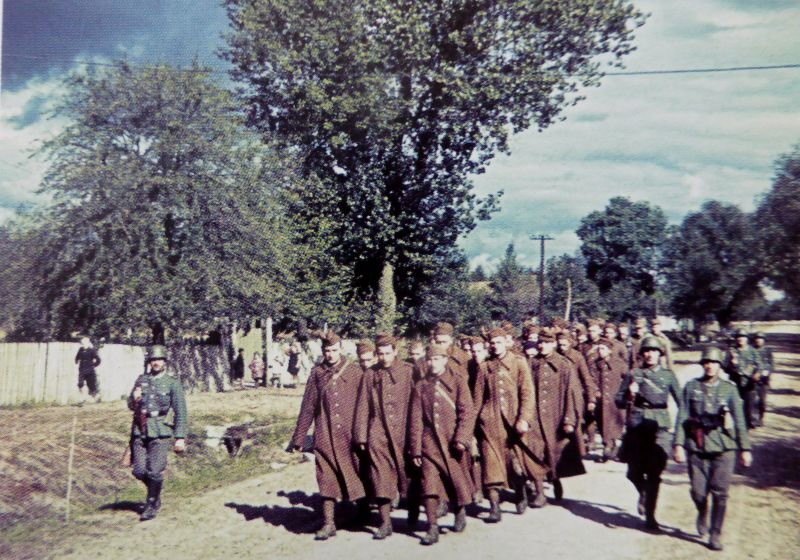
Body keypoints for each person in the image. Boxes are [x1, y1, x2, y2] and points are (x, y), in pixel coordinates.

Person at [287, 332, 367, 540]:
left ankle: (364, 509)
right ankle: (329, 522)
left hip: (351, 435)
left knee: (357, 472)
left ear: (341, 349)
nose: (330, 354)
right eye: (326, 351)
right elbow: (308, 407)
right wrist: (299, 437)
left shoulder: (355, 371)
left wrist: (364, 433)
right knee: (325, 476)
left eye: (333, 350)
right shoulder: (317, 373)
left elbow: (366, 404)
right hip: (325, 434)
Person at [673, 346, 752, 551]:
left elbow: (740, 420)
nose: (710, 366)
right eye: (706, 362)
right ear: (702, 365)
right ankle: (702, 512)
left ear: (720, 366)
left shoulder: (729, 388)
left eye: (714, 363)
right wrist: (678, 444)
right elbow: (682, 416)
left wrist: (745, 448)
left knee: (720, 493)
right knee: (699, 492)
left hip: (724, 447)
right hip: (697, 446)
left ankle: (715, 534)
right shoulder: (691, 387)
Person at [409, 343, 476, 545]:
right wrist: (416, 449)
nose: (433, 363)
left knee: (454, 481)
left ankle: (459, 510)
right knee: (428, 484)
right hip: (429, 444)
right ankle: (432, 527)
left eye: (437, 359)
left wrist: (462, 438)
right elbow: (416, 419)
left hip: (452, 445)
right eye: (429, 359)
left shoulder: (457, 382)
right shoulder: (421, 386)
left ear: (445, 360)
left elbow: (467, 413)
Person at [353, 334, 418, 539]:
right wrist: (361, 435)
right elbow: (363, 405)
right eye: (380, 354)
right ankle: (385, 522)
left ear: (396, 351)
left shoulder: (409, 371)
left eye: (388, 353)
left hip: (405, 431)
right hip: (378, 431)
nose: (384, 358)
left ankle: (413, 508)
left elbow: (418, 403)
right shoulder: (371, 374)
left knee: (410, 473)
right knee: (380, 474)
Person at [615, 335, 680, 531]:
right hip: (636, 424)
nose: (650, 355)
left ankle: (650, 516)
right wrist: (629, 393)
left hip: (659, 425)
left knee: (654, 473)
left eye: (654, 351)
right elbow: (618, 400)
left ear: (660, 354)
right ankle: (643, 492)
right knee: (633, 473)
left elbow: (682, 403)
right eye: (646, 351)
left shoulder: (668, 376)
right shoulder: (634, 374)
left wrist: (680, 434)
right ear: (641, 354)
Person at [472, 328, 537, 520]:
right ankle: (494, 507)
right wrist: (471, 428)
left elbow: (527, 392)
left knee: (515, 465)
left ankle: (520, 492)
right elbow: (477, 400)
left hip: (513, 424)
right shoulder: (484, 367)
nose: (495, 346)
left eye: (499, 342)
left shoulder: (519, 363)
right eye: (492, 343)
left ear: (506, 343)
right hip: (490, 424)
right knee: (490, 465)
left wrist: (524, 418)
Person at [127, 345, 187, 521]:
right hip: (140, 430)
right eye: (153, 360)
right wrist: (134, 399)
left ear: (165, 362)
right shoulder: (141, 380)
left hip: (161, 431)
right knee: (138, 471)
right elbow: (130, 405)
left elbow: (181, 411)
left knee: (154, 471)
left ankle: (151, 504)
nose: (156, 363)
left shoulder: (172, 383)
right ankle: (155, 493)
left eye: (159, 360)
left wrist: (180, 437)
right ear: (149, 362)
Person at [526, 328, 581, 502]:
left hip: (555, 417)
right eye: (540, 342)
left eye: (547, 343)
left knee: (554, 453)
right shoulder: (532, 363)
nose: (542, 346)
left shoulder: (564, 365)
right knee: (534, 452)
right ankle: (540, 491)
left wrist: (569, 419)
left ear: (554, 344)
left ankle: (555, 478)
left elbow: (571, 393)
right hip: (534, 417)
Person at [722, 329, 762, 429]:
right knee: (734, 406)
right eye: (738, 337)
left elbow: (759, 365)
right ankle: (736, 426)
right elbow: (724, 367)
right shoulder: (731, 351)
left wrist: (757, 373)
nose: (740, 339)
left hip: (749, 384)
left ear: (747, 339)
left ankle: (747, 426)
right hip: (735, 382)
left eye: (743, 337)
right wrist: (732, 363)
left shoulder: (753, 351)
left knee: (749, 407)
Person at [752, 332, 774, 426]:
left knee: (762, 401)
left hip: (763, 380)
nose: (758, 340)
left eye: (761, 338)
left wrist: (767, 372)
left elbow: (771, 364)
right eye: (757, 338)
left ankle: (761, 417)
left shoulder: (768, 351)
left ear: (764, 340)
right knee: (752, 401)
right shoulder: (751, 350)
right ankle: (753, 420)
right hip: (752, 379)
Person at [75, 337, 101, 403]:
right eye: (81, 343)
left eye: (83, 343)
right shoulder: (80, 349)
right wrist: (76, 361)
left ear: (87, 343)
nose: (82, 344)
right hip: (82, 370)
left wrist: (93, 365)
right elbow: (77, 357)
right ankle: (82, 398)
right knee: (80, 384)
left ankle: (96, 397)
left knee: (91, 386)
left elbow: (98, 360)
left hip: (90, 371)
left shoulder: (92, 350)